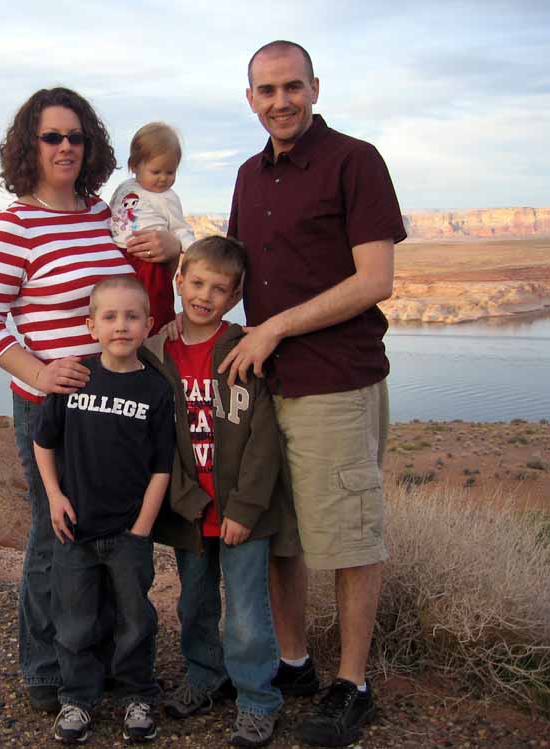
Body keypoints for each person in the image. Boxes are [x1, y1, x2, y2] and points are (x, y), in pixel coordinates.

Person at [0, 87, 182, 714]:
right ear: (28, 146)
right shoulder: (13, 226)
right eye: (52, 136)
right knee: (54, 532)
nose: (66, 147)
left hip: (118, 405)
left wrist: (173, 248)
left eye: (76, 137)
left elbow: (143, 278)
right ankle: (45, 666)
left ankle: (100, 662)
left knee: (108, 531)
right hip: (52, 407)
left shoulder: (103, 215)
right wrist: (38, 371)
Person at [221, 40, 406, 747]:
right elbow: (236, 272)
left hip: (334, 380)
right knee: (279, 534)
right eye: (266, 91)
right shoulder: (248, 175)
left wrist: (274, 329)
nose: (281, 102)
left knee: (349, 537)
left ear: (315, 88)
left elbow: (374, 279)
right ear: (250, 99)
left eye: (292, 87)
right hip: (267, 385)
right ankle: (294, 663)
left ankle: (353, 685)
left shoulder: (353, 161)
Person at [141, 236, 299, 748]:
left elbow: (263, 438)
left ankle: (257, 699)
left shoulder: (242, 349)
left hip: (241, 513)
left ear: (234, 297)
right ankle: (205, 676)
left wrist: (245, 507)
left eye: (219, 289)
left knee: (248, 613)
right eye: (197, 283)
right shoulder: (156, 353)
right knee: (195, 604)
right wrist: (186, 500)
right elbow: (156, 439)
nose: (204, 296)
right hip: (189, 511)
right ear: (179, 279)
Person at [33, 276, 174, 744]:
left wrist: (142, 529)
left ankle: (138, 695)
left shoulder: (155, 389)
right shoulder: (75, 378)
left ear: (148, 325)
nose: (121, 326)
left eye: (132, 317)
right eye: (109, 317)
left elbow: (162, 467)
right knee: (74, 622)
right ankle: (77, 699)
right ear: (91, 325)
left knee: (135, 621)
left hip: (129, 533)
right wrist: (54, 496)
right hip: (75, 530)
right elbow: (43, 442)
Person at [109, 122, 197, 334]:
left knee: (154, 301)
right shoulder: (124, 188)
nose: (163, 178)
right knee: (120, 303)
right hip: (120, 254)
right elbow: (113, 214)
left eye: (170, 172)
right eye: (156, 171)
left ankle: (158, 334)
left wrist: (194, 250)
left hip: (149, 261)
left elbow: (179, 229)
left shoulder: (167, 197)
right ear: (134, 166)